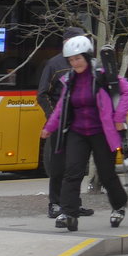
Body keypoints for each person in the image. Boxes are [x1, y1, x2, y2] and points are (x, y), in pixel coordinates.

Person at [39, 34, 128, 231]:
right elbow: (61, 106)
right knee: (72, 172)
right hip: (78, 132)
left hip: (102, 132)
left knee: (107, 174)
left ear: (87, 56)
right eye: (71, 60)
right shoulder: (70, 80)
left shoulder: (102, 75)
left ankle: (118, 205)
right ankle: (69, 213)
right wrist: (50, 127)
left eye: (78, 58)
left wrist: (119, 118)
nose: (75, 63)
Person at [37, 25, 96, 219]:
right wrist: (54, 117)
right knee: (58, 166)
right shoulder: (54, 64)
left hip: (80, 126)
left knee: (75, 167)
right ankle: (54, 204)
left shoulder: (88, 64)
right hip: (60, 124)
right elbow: (42, 94)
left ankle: (72, 204)